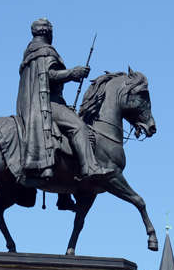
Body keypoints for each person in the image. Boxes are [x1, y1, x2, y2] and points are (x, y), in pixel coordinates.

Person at [17, 18, 112, 186]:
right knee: (80, 127)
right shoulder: (45, 50)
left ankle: (64, 195)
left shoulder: (30, 53)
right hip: (48, 104)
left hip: (33, 105)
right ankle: (89, 167)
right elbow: (49, 75)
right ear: (48, 32)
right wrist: (73, 73)